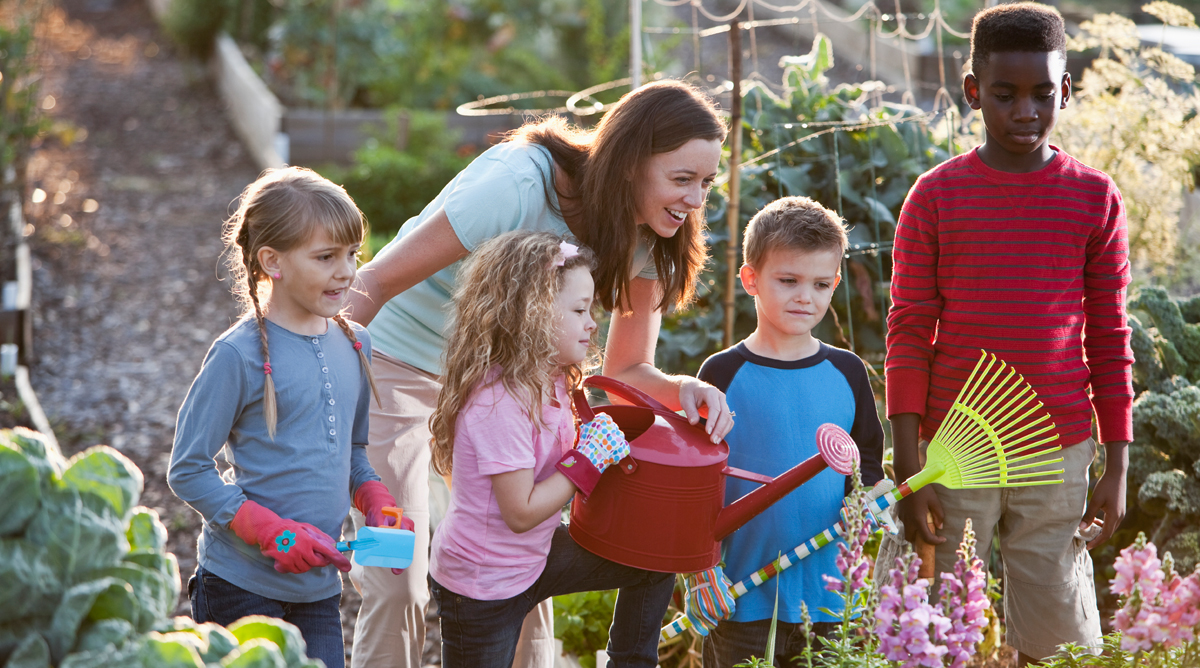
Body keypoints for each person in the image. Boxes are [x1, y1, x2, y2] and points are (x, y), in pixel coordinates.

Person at [344, 79, 735, 668]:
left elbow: (628, 367)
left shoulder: (649, 234)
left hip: (509, 392)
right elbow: (370, 283)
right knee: (395, 574)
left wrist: (685, 389)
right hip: (397, 368)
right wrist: (306, 387)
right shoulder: (518, 183)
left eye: (706, 183)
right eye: (682, 179)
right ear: (629, 162)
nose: (696, 200)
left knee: (517, 568)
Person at [885, 4, 1132, 665]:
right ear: (973, 91)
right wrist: (909, 464)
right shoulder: (935, 198)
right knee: (939, 631)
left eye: (1042, 94)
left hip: (1059, 446)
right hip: (953, 446)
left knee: (1058, 639)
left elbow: (1108, 334)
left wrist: (1119, 459)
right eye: (1005, 94)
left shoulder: (1094, 198)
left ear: (1066, 90)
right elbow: (908, 331)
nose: (1026, 111)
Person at [168, 167, 413, 668]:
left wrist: (374, 497)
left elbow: (353, 452)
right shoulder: (237, 356)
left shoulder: (355, 343)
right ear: (272, 262)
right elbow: (188, 468)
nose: (346, 272)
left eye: (352, 255)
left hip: (317, 590)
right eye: (326, 257)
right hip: (239, 586)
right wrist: (268, 530)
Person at [427, 231, 676, 668]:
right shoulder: (498, 402)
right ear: (533, 316)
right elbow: (520, 513)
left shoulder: (553, 378)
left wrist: (596, 448)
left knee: (653, 559)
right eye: (579, 310)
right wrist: (587, 460)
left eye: (591, 309)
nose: (593, 323)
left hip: (535, 559)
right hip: (481, 586)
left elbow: (555, 462)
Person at [694, 196, 885, 666]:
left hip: (832, 603)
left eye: (821, 284)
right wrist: (700, 574)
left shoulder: (848, 372)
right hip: (740, 599)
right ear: (751, 279)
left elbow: (871, 477)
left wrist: (869, 505)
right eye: (788, 281)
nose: (806, 296)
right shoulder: (721, 374)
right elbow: (694, 489)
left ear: (835, 284)